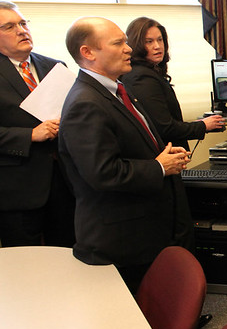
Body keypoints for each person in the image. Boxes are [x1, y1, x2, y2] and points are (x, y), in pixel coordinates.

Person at [59, 16, 191, 293]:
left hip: (144, 229)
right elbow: (103, 173)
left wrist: (163, 152)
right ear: (88, 52)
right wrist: (159, 167)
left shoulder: (119, 90)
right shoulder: (86, 103)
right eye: (118, 43)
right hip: (120, 239)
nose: (129, 48)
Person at [0, 0, 75, 248]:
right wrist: (29, 135)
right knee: (26, 264)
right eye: (9, 26)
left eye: (23, 23)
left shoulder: (55, 66)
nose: (21, 30)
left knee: (67, 253)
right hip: (18, 187)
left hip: (66, 180)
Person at [121, 16, 224, 151]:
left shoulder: (147, 72)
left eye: (160, 39)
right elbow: (164, 128)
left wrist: (198, 124)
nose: (157, 46)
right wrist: (203, 126)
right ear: (136, 44)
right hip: (164, 156)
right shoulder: (141, 77)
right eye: (149, 42)